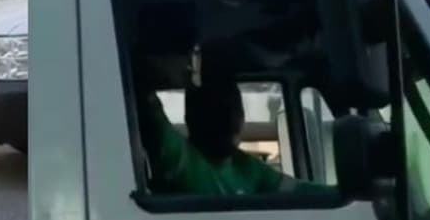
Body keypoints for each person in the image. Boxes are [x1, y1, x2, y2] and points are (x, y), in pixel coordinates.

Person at [137, 70, 320, 194]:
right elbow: (146, 102)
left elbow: (303, 192)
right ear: (191, 119)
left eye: (236, 110)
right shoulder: (180, 159)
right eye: (218, 110)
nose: (231, 120)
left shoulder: (247, 166)